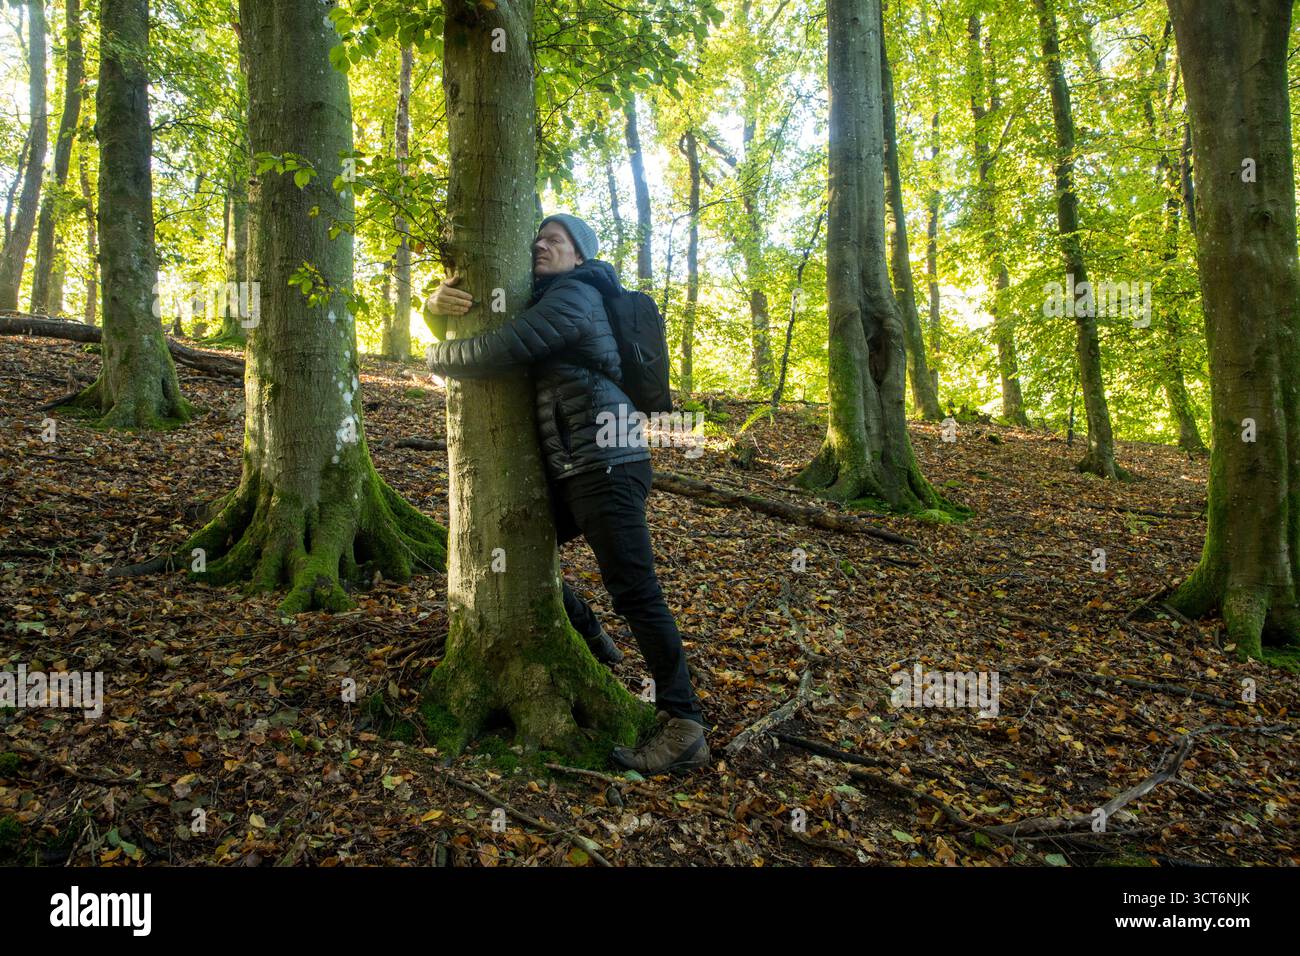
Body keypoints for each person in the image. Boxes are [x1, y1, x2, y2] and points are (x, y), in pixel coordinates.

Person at [423, 213, 709, 775]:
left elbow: (505, 345)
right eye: (537, 238)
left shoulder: (575, 296)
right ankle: (587, 633)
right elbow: (487, 330)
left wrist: (433, 358)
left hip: (608, 462)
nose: (540, 245)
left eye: (554, 240)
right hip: (584, 465)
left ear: (581, 254)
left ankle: (684, 723)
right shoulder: (554, 296)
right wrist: (434, 312)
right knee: (518, 544)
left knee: (635, 591)